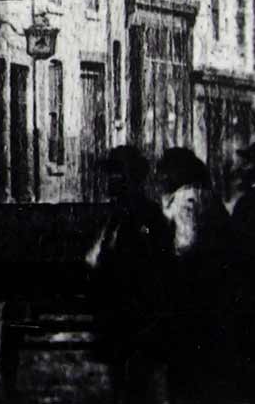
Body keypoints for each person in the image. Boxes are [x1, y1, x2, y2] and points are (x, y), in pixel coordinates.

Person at [86, 146, 169, 404]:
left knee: (135, 380)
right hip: (119, 308)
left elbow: (153, 261)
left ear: (131, 177)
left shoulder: (146, 214)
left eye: (116, 173)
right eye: (109, 174)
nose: (109, 180)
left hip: (134, 310)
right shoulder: (116, 213)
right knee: (122, 378)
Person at [155, 148, 235, 403]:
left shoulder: (186, 199)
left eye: (166, 171)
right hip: (215, 291)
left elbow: (186, 245)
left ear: (178, 172)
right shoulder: (208, 195)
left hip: (189, 292)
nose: (162, 176)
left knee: (185, 368)